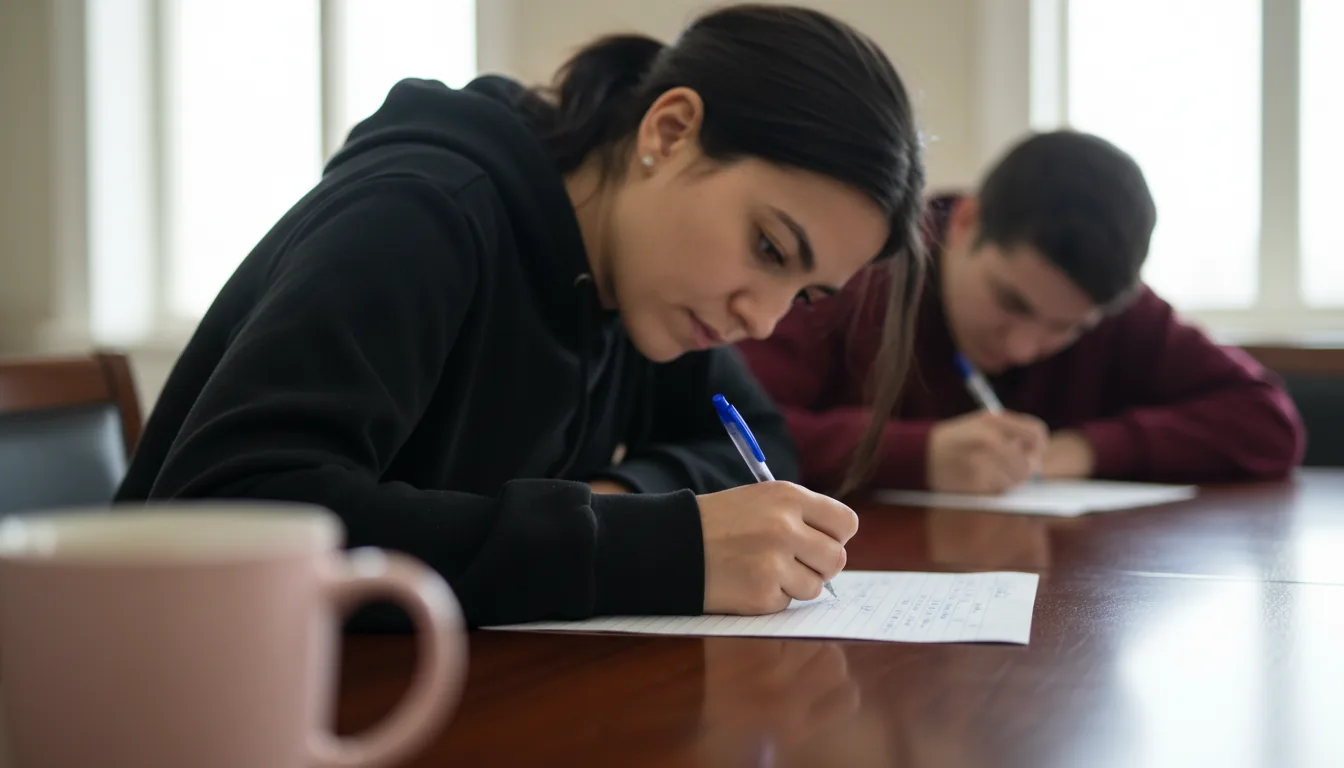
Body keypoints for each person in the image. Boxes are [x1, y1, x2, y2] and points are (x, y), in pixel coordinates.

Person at [115, 5, 928, 627]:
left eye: (807, 295)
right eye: (770, 247)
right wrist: (651, 546)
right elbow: (232, 517)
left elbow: (759, 442)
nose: (763, 318)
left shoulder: (647, 292)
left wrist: (617, 496)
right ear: (670, 132)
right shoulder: (423, 214)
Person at [738, 130, 1304, 496]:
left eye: (1067, 330)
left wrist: (1084, 450)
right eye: (1012, 302)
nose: (1023, 348)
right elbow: (732, 431)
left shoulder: (1115, 309)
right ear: (966, 223)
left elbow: (1269, 423)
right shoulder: (855, 272)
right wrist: (919, 454)